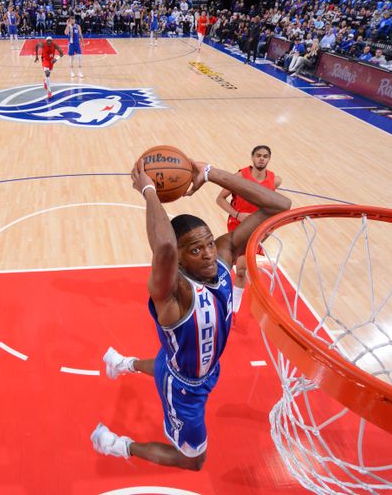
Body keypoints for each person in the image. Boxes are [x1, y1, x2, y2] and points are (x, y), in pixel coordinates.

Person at [91, 155, 291, 470]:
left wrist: (210, 173)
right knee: (193, 459)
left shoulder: (223, 257)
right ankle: (118, 445)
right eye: (196, 250)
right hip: (184, 389)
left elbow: (279, 205)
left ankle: (122, 363)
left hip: (202, 368)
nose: (209, 254)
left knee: (168, 359)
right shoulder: (173, 294)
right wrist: (148, 191)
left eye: (209, 244)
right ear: (180, 262)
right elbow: (166, 248)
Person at [214, 145, 281, 312]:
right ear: (252, 157)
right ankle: (225, 301)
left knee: (242, 269)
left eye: (265, 156)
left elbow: (274, 206)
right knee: (237, 266)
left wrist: (270, 227)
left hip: (259, 228)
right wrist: (237, 214)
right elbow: (220, 199)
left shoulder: (275, 180)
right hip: (238, 224)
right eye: (258, 155)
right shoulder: (240, 176)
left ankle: (233, 308)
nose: (261, 159)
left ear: (269, 159)